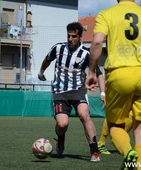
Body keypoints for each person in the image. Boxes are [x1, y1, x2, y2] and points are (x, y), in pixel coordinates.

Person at [86, 0, 141, 169]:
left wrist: (92, 71)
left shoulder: (107, 14)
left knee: (115, 126)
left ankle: (127, 153)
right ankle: (136, 166)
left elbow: (96, 42)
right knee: (139, 126)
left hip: (119, 74)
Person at [38, 22, 100, 162]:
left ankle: (94, 151)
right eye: (68, 36)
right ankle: (61, 139)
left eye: (74, 36)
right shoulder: (58, 48)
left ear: (80, 37)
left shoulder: (85, 54)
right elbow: (47, 60)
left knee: (84, 115)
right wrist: (41, 72)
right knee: (62, 124)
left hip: (78, 90)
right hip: (60, 92)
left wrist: (97, 86)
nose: (70, 39)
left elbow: (96, 71)